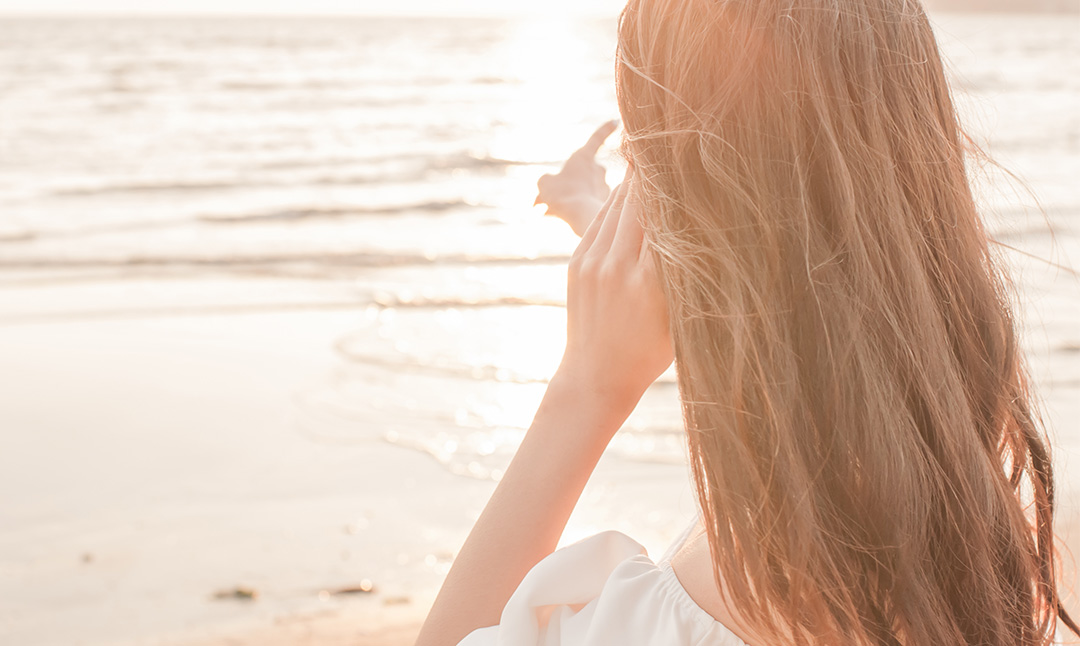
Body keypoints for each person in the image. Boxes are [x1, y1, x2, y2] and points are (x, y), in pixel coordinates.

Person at [415, 0, 1080, 644]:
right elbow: (802, 294)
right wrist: (604, 222)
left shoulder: (681, 616)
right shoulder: (991, 544)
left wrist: (587, 388)